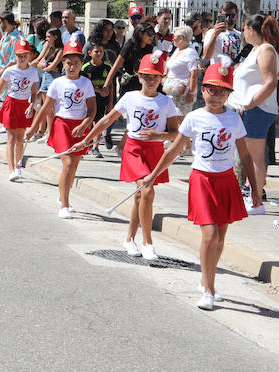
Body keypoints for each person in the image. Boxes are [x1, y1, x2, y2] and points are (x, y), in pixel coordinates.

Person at [142, 61, 248, 311]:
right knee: (210, 234)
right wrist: (153, 174)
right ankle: (209, 290)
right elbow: (173, 150)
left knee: (220, 237)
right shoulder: (193, 117)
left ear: (229, 94)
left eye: (222, 91)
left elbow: (245, 156)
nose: (216, 95)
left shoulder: (234, 119)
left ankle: (206, 279)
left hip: (226, 180)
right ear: (203, 90)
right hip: (202, 180)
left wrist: (254, 187)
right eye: (212, 90)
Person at [76, 50, 181, 259]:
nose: (151, 80)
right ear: (139, 76)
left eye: (155, 76)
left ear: (161, 78)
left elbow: (175, 133)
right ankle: (147, 242)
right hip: (134, 150)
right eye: (146, 76)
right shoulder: (130, 97)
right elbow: (107, 120)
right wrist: (86, 139)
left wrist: (159, 135)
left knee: (141, 195)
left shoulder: (166, 102)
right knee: (147, 191)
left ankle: (129, 239)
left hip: (155, 151)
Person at [228, 14, 279, 213]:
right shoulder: (256, 49)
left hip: (256, 111)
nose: (243, 32)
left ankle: (256, 200)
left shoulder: (265, 50)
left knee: (255, 158)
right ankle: (252, 197)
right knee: (249, 157)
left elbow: (270, 82)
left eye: (244, 29)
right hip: (249, 110)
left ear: (251, 30)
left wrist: (250, 104)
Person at [34, 40, 96, 219]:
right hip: (62, 125)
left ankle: (63, 196)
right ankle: (64, 205)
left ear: (81, 64)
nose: (72, 67)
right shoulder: (57, 83)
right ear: (63, 63)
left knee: (74, 166)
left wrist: (84, 125)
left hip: (80, 126)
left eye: (76, 63)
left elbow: (92, 109)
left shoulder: (86, 83)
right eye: (69, 63)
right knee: (68, 163)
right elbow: (46, 107)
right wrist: (33, 128)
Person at [0, 38, 39, 181]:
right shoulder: (10, 71)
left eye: (25, 55)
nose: (22, 58)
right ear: (15, 56)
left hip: (24, 105)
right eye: (19, 55)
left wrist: (31, 105)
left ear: (29, 56)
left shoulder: (33, 72)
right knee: (11, 138)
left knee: (20, 138)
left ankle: (18, 166)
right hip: (11, 103)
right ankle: (11, 170)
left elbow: (34, 92)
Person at [164, 24, 201, 123]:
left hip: (183, 94)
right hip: (173, 91)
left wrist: (191, 93)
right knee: (172, 119)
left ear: (181, 38)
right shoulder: (178, 49)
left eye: (174, 37)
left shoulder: (190, 52)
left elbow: (194, 74)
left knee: (180, 121)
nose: (173, 39)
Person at [82, 43, 113, 156]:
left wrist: (110, 102)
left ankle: (96, 147)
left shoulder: (107, 67)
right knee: (87, 122)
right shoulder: (85, 68)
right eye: (96, 51)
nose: (99, 54)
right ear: (90, 53)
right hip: (89, 100)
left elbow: (111, 85)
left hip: (102, 100)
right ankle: (84, 145)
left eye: (101, 51)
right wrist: (99, 90)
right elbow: (84, 85)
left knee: (98, 123)